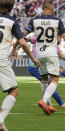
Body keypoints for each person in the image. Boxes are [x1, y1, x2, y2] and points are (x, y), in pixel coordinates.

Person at [24, 0, 65, 115]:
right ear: (52, 9)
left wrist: (17, 43)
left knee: (44, 79)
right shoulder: (57, 20)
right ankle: (44, 101)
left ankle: (48, 105)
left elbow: (24, 33)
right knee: (54, 80)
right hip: (51, 52)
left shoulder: (34, 20)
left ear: (42, 8)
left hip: (39, 54)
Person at [0, 0, 40, 130]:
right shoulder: (12, 21)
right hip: (0, 60)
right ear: (12, 8)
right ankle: (0, 120)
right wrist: (32, 58)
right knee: (13, 90)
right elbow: (22, 42)